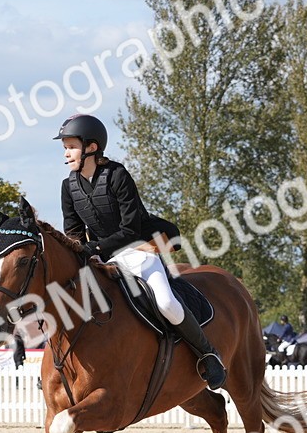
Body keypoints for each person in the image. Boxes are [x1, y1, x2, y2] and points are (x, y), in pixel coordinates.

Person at [55, 113, 226, 389]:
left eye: (71, 147)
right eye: (65, 148)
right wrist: (78, 252)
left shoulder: (117, 175)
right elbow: (73, 231)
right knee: (69, 299)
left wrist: (94, 248)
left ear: (92, 147)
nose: (66, 153)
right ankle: (61, 364)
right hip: (103, 258)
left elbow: (130, 229)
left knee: (166, 303)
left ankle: (208, 353)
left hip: (139, 249)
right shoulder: (68, 186)